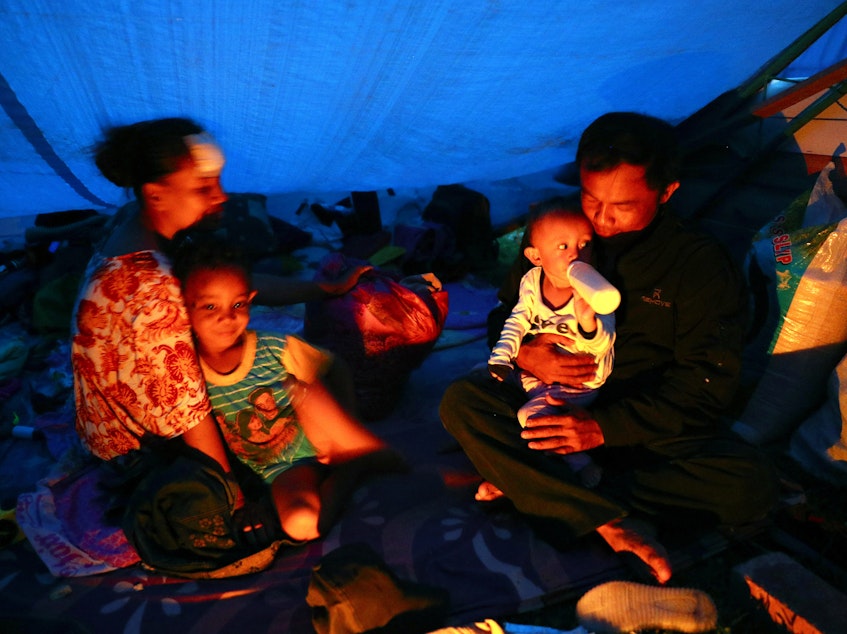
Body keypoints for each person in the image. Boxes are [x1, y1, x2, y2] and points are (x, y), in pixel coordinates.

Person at [440, 111, 779, 584]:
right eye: (590, 197)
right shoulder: (560, 231)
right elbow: (507, 312)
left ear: (667, 192)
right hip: (549, 400)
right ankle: (606, 521)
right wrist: (524, 351)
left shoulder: (697, 264)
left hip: (635, 428)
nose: (599, 219)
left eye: (621, 205)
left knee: (748, 483)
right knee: (463, 400)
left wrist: (603, 428)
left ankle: (538, 486)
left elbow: (706, 385)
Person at [71, 117, 369, 572]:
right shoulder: (152, 291)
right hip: (135, 455)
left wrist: (319, 290)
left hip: (107, 430)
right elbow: (193, 418)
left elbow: (224, 286)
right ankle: (350, 464)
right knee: (277, 514)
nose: (221, 196)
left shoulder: (137, 224)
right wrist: (236, 500)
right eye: (203, 186)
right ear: (157, 193)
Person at [173, 237, 405, 542]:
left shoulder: (274, 348)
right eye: (210, 306)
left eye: (238, 304)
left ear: (252, 298)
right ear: (183, 308)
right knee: (302, 524)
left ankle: (352, 454)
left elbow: (334, 367)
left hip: (315, 443)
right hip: (280, 469)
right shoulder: (186, 373)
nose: (227, 317)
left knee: (303, 384)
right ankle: (352, 470)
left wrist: (348, 422)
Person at [487, 196, 615, 488]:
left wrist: (588, 323)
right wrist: (503, 357)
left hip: (578, 380)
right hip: (537, 374)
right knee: (480, 383)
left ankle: (580, 465)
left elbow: (603, 347)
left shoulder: (595, 290)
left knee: (527, 416)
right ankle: (508, 466)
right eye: (563, 247)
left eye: (585, 245)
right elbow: (516, 321)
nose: (576, 255)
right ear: (535, 256)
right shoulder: (532, 281)